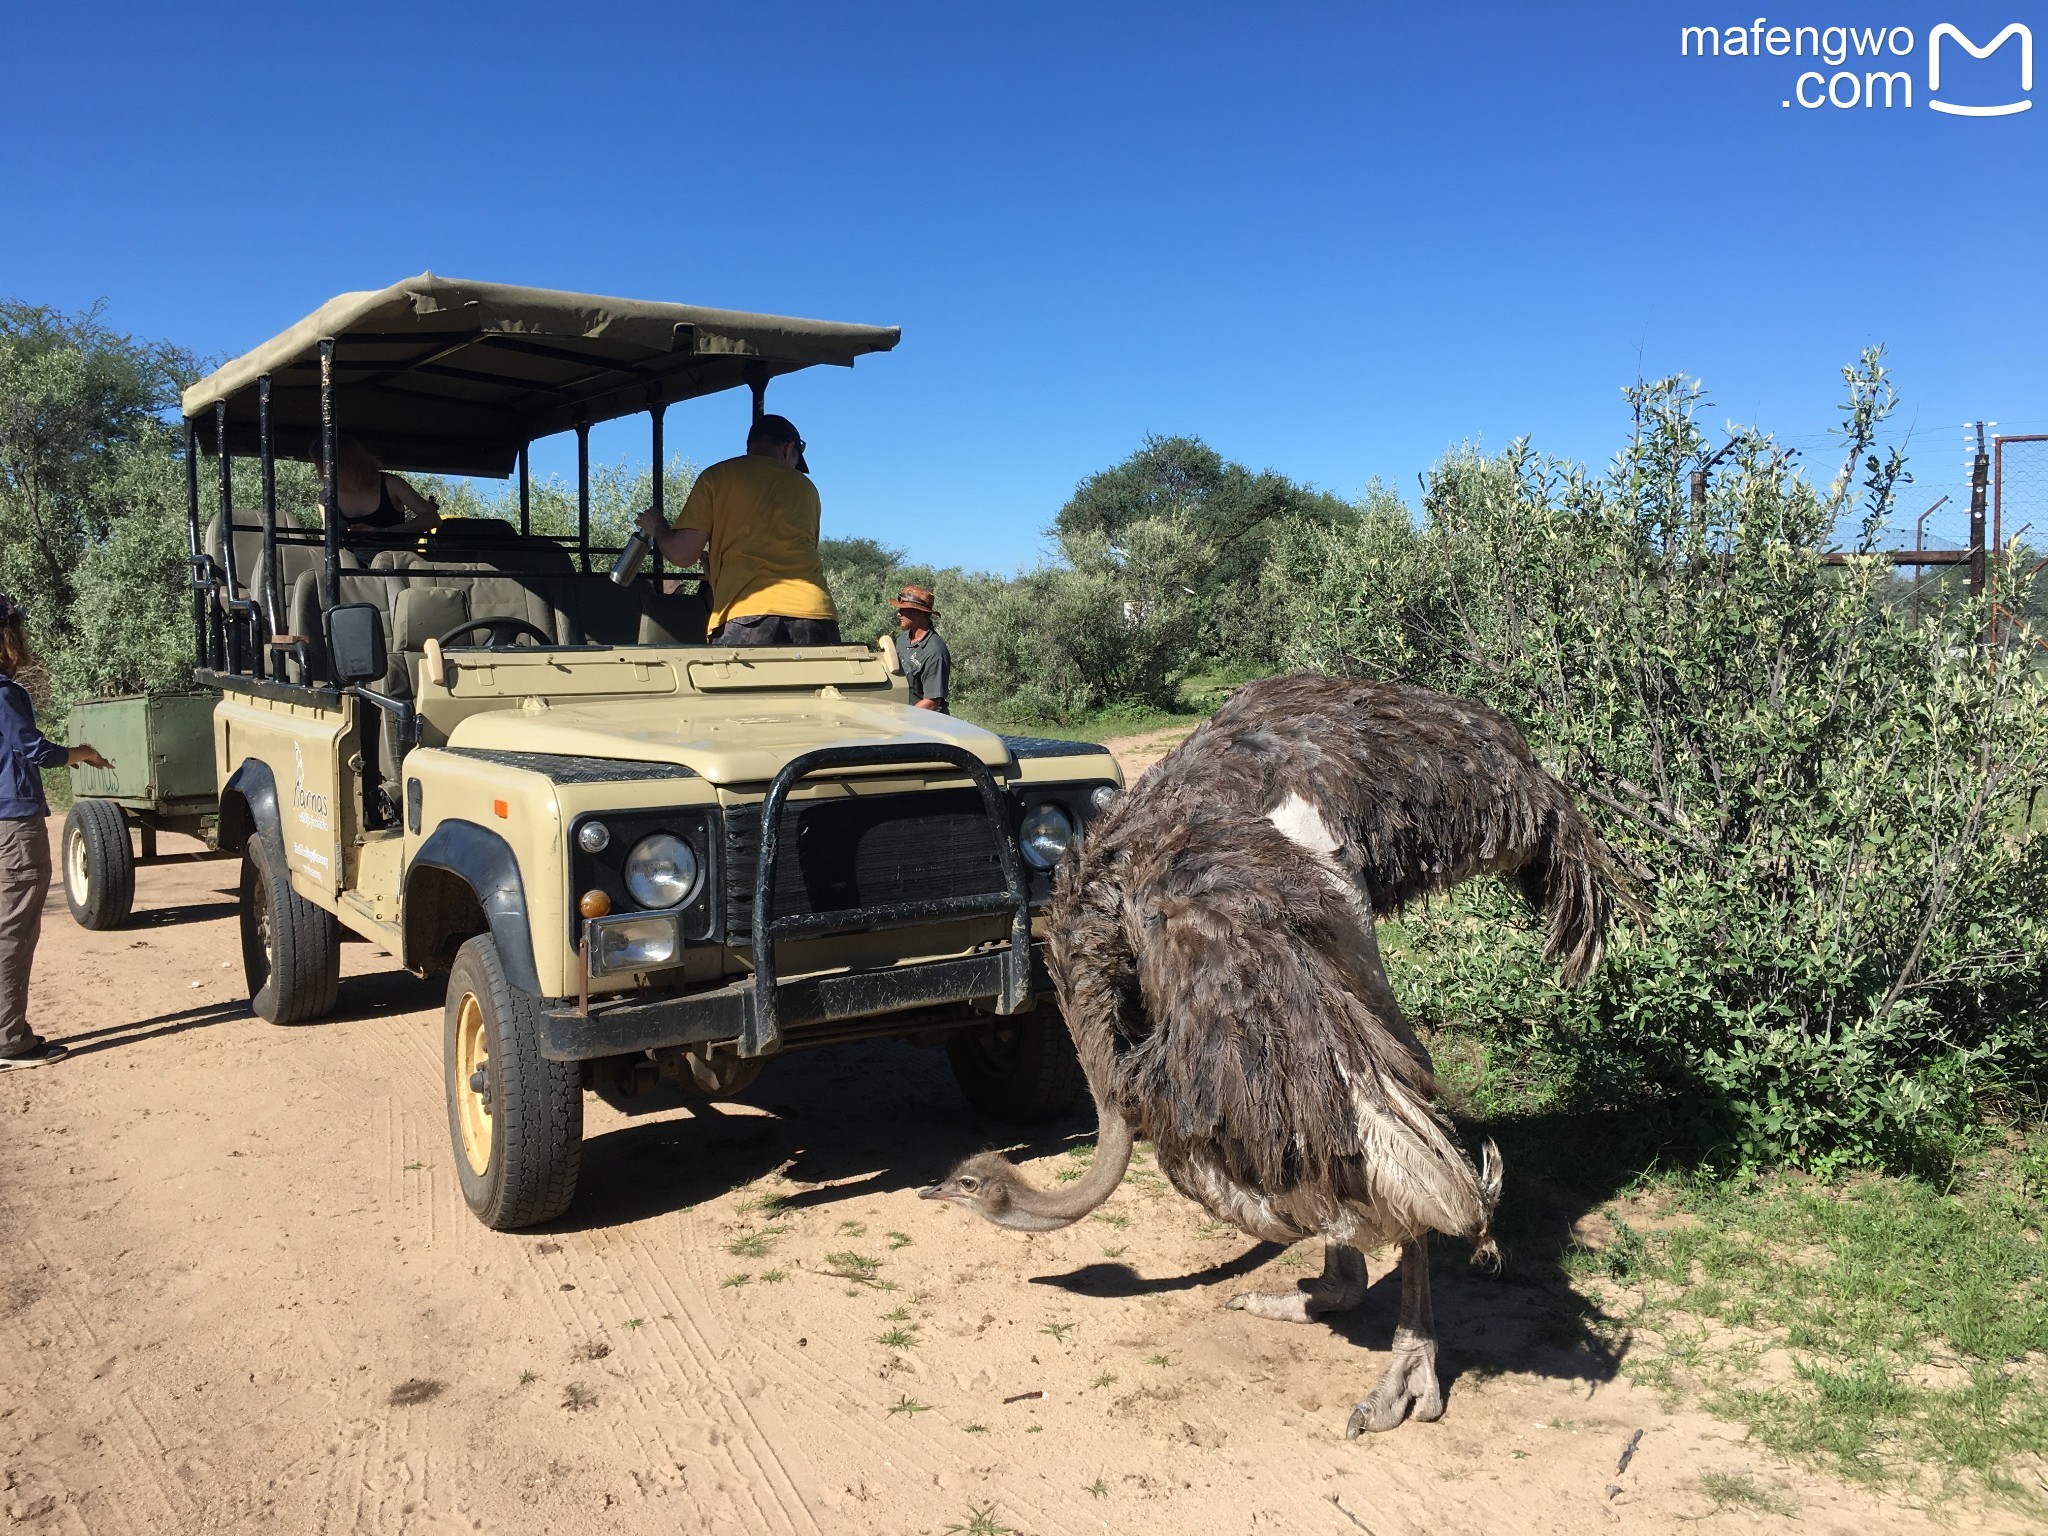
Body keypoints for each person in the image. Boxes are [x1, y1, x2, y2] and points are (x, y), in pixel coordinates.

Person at [0, 594, 111, 1068]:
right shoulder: (5, 692)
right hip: (13, 825)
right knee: (13, 930)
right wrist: (83, 752)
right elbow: (35, 751)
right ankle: (9, 1040)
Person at [634, 415, 840, 646]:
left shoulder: (718, 477)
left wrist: (658, 527)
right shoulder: (807, 489)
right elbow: (790, 552)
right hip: (816, 614)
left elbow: (682, 554)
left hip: (749, 614)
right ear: (789, 448)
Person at [314, 434, 438, 536]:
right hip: (346, 563)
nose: (322, 474)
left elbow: (432, 518)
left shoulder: (391, 484)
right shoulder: (326, 497)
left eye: (323, 467)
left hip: (392, 561)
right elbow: (328, 537)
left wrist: (382, 532)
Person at [891, 585, 950, 712]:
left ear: (920, 613)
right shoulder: (903, 639)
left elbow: (931, 702)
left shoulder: (934, 651)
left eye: (904, 610)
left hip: (926, 722)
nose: (899, 613)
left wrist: (901, 718)